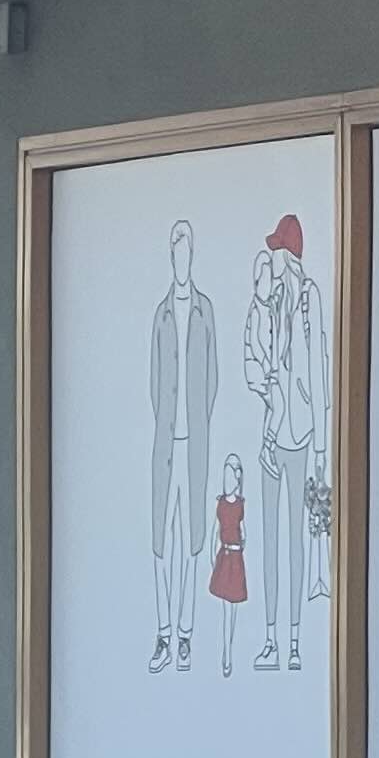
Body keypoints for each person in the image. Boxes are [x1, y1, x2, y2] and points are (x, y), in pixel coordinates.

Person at [243, 213, 330, 671]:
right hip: (272, 436)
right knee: (270, 539)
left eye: (278, 251)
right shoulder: (269, 303)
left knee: (299, 539)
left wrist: (321, 442)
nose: (273, 259)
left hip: (303, 435)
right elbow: (250, 358)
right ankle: (272, 637)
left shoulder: (309, 300)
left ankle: (295, 639)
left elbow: (318, 367)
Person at [147, 221, 216, 673]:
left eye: (186, 252)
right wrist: (168, 424)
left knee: (192, 542)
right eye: (176, 252)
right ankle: (162, 632)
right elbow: (155, 381)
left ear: (193, 256)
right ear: (170, 258)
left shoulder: (205, 311)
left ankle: (186, 633)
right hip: (165, 445)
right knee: (161, 543)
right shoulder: (162, 313)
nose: (181, 260)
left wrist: (198, 424)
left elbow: (212, 378)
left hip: (195, 445)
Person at [209, 452, 248, 676]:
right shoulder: (221, 504)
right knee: (226, 609)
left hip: (236, 559)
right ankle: (226, 653)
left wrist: (241, 543)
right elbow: (216, 530)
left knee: (232, 609)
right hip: (224, 558)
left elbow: (245, 532)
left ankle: (229, 651)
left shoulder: (240, 505)